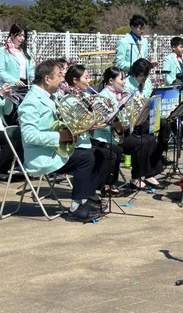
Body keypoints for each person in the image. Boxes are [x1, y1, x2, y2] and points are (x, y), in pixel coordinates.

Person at [17, 60, 102, 222]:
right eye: (59, 76)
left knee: (92, 153)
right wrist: (60, 137)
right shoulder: (30, 102)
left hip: (55, 150)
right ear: (47, 79)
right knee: (86, 158)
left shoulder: (51, 97)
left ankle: (83, 201)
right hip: (42, 156)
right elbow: (29, 136)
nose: (63, 80)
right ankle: (77, 207)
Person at [96, 66, 160, 191]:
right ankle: (135, 178)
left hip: (122, 133)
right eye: (121, 79)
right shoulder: (103, 97)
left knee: (149, 139)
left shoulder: (122, 94)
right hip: (109, 136)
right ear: (111, 81)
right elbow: (103, 121)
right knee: (140, 142)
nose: (124, 82)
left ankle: (145, 175)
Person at [65, 64, 122, 195]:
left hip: (87, 140)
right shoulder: (69, 99)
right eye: (86, 77)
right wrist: (94, 124)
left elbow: (91, 119)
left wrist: (102, 116)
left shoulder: (84, 95)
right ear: (75, 80)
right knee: (107, 155)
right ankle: (92, 191)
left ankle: (97, 188)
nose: (89, 81)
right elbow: (76, 125)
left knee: (113, 152)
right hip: (77, 144)